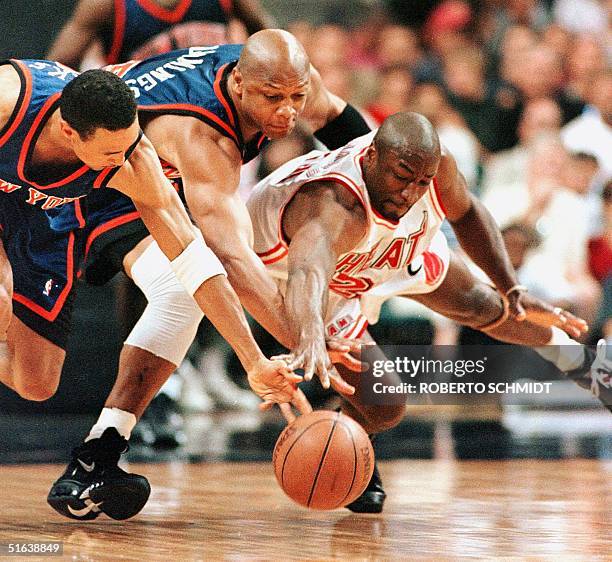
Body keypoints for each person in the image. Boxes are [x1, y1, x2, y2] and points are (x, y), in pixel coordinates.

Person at [47, 30, 372, 520]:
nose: (288, 112)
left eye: (295, 98)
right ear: (239, 85)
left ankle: (98, 455)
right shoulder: (204, 136)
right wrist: (309, 342)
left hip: (142, 171)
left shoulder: (278, 73)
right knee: (186, 286)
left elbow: (345, 127)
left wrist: (387, 197)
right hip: (88, 178)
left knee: (184, 292)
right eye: (273, 99)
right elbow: (230, 257)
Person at [246, 112, 611, 512]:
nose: (409, 192)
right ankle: (344, 448)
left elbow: (468, 213)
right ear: (370, 158)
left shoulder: (432, 172)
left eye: (421, 182)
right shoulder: (331, 204)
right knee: (387, 404)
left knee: (488, 304)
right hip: (295, 276)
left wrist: (512, 286)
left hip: (377, 250)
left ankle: (589, 367)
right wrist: (309, 333)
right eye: (402, 177)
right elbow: (307, 274)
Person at [0, 56, 308, 519]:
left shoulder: (132, 158)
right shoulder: (9, 99)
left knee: (36, 382)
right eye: (111, 154)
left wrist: (254, 361)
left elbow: (195, 261)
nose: (123, 160)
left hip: (49, 216)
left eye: (128, 147)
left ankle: (100, 452)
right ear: (69, 132)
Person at [47, 0, 274, 68]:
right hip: (145, 131)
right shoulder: (106, 6)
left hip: (220, 119)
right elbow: (53, 71)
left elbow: (275, 44)